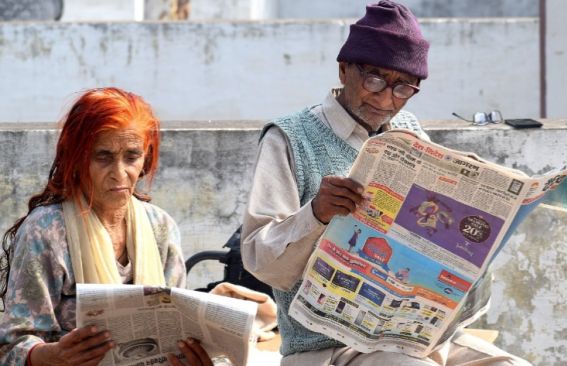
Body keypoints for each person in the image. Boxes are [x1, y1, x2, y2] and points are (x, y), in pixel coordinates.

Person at [241, 1, 532, 365]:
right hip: (327, 347)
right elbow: (258, 258)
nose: (384, 98)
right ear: (344, 69)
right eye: (374, 79)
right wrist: (316, 214)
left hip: (412, 337)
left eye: (402, 88)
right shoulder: (289, 138)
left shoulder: (408, 130)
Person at [0, 88, 212, 366]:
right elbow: (11, 347)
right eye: (103, 157)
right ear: (76, 158)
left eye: (132, 156)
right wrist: (52, 355)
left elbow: (176, 328)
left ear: (146, 157)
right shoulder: (47, 231)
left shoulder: (160, 226)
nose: (120, 173)